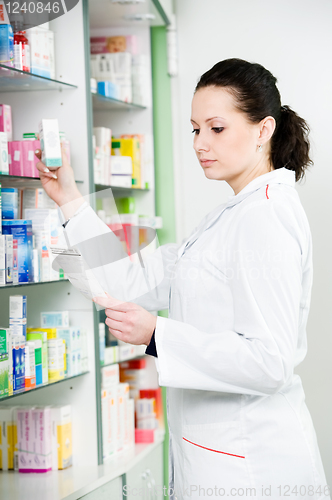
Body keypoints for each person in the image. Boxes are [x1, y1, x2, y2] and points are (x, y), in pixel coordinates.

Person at [35, 58, 329, 499]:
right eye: (195, 129)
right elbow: (134, 281)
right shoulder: (229, 215)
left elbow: (270, 361)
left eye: (216, 128)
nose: (200, 143)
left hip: (253, 466)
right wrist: (71, 200)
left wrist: (156, 334)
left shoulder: (266, 215)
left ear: (264, 130)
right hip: (219, 456)